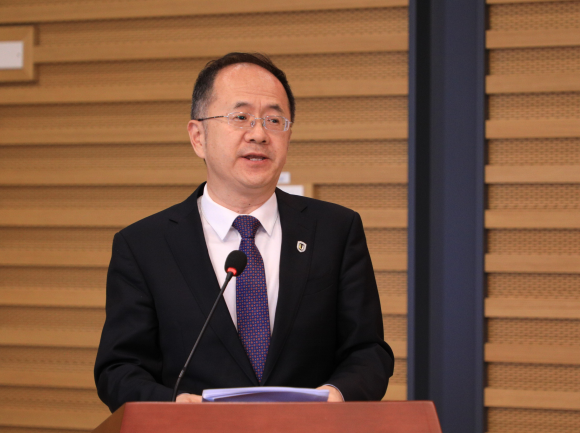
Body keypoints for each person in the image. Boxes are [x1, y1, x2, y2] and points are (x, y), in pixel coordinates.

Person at [94, 52, 394, 411]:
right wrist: (174, 406)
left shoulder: (335, 230)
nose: (259, 134)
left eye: (274, 120)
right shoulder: (144, 246)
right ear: (198, 137)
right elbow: (119, 369)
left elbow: (368, 351)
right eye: (240, 117)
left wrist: (335, 395)